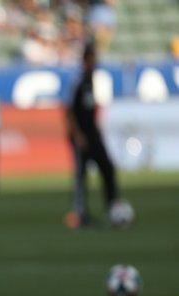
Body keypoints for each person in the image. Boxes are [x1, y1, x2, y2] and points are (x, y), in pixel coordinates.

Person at [65, 43, 120, 228]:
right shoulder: (78, 82)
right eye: (92, 58)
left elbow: (90, 109)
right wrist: (78, 135)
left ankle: (112, 208)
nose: (95, 62)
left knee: (108, 168)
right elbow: (69, 111)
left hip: (93, 134)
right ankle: (81, 215)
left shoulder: (91, 80)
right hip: (81, 136)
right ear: (85, 60)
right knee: (81, 177)